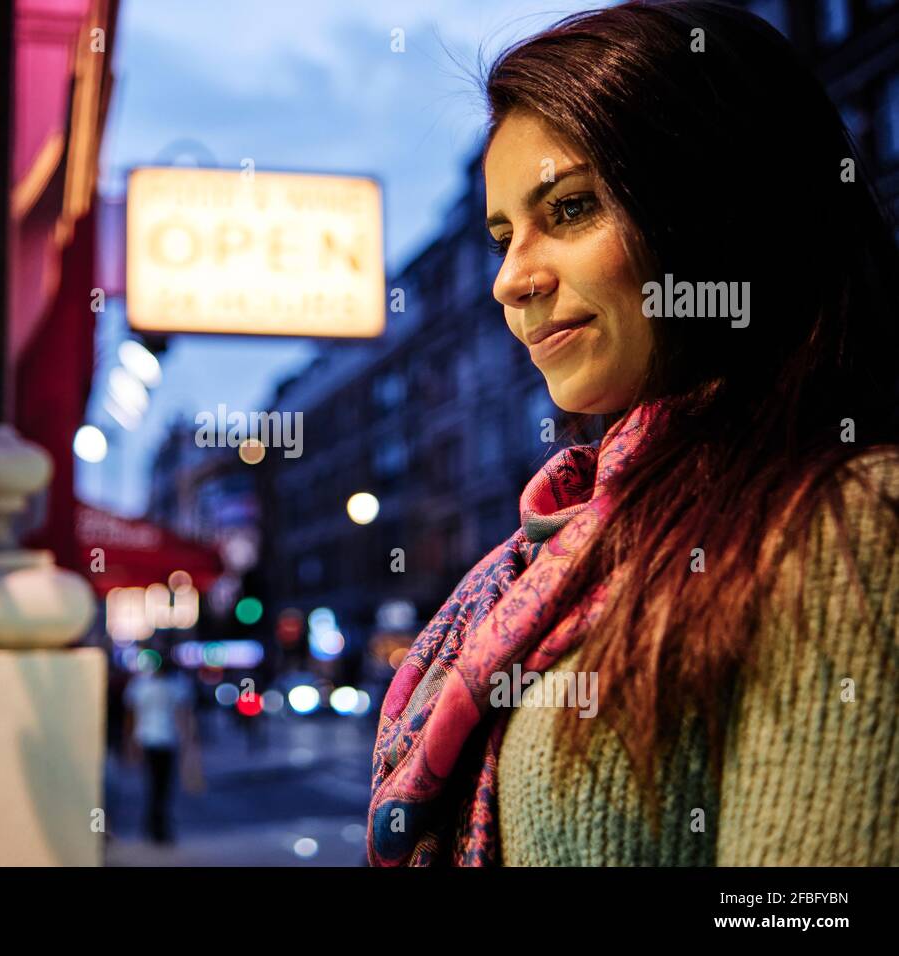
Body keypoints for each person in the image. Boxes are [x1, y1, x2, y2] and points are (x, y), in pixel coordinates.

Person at [369, 0, 899, 866]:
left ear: (719, 210)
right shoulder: (563, 548)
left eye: (572, 209)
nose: (510, 279)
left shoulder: (846, 526)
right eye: (503, 236)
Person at [123, 652, 198, 843]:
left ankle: (153, 823)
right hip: (163, 740)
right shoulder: (175, 686)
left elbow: (131, 716)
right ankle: (157, 825)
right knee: (161, 786)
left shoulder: (141, 686)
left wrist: (130, 742)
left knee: (155, 785)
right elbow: (184, 716)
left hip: (150, 739)